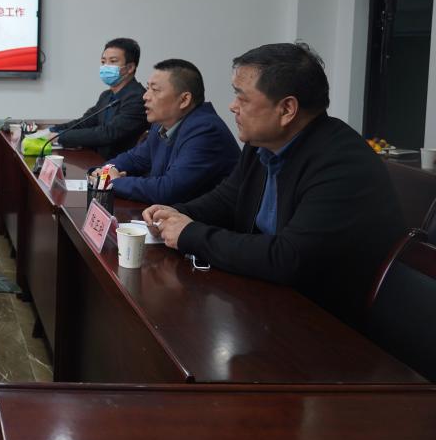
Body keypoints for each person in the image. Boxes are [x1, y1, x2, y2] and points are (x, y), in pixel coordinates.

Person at [142, 43, 404, 326]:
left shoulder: (342, 163)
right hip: (269, 300)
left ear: (287, 109)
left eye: (242, 98)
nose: (232, 106)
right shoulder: (261, 144)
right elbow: (226, 199)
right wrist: (175, 213)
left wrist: (190, 233)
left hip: (328, 321)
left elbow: (289, 258)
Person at [90, 59, 239, 204]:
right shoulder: (161, 124)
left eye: (155, 90)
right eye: (148, 88)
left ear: (184, 100)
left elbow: (168, 191)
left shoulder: (205, 131)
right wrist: (105, 171)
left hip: (202, 219)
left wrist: (115, 182)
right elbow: (134, 159)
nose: (145, 96)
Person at [50, 37, 147, 158]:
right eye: (103, 61)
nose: (106, 66)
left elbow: (108, 133)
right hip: (97, 160)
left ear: (130, 68)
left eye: (113, 61)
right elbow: (84, 123)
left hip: (120, 165)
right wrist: (51, 130)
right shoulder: (106, 95)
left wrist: (59, 137)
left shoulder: (138, 98)